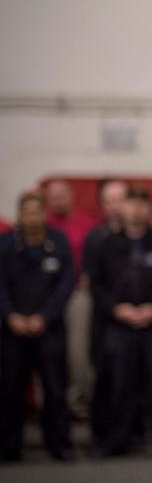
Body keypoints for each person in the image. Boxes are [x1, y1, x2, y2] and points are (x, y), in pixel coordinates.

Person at [88, 185, 152, 457]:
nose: (136, 210)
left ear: (148, 210)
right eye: (131, 204)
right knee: (120, 382)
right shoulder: (107, 244)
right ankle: (119, 437)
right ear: (123, 208)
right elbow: (97, 285)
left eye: (142, 205)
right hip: (119, 323)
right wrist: (117, 309)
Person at [0, 192, 75, 461]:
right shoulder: (6, 243)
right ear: (20, 215)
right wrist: (10, 316)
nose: (33, 216)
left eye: (37, 211)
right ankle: (9, 447)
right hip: (12, 330)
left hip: (49, 329)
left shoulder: (58, 242)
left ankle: (60, 445)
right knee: (10, 389)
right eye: (27, 212)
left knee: (55, 389)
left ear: (44, 214)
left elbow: (67, 282)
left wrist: (46, 316)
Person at [83, 179, 129, 454]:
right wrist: (114, 307)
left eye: (119, 199)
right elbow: (94, 282)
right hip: (104, 318)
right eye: (109, 200)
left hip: (133, 322)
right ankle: (99, 437)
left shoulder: (138, 238)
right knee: (102, 378)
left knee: (129, 381)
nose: (115, 205)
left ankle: (127, 435)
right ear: (103, 204)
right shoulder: (95, 239)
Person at [44, 179, 97, 420]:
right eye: (53, 196)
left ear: (71, 196)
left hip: (77, 293)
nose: (58, 200)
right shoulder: (41, 226)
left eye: (62, 195)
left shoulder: (86, 225)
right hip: (45, 297)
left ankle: (80, 401)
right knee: (47, 352)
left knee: (78, 351)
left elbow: (95, 259)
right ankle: (49, 404)